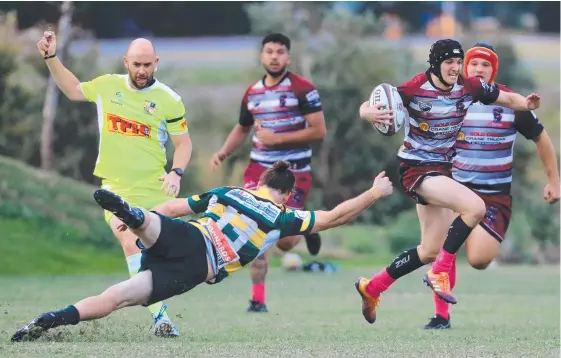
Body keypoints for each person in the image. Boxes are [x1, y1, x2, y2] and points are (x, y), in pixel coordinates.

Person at [11, 161, 394, 342]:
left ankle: (132, 214)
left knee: (155, 228)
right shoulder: (282, 216)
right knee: (119, 299)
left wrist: (142, 220)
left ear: (259, 181)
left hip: (189, 235)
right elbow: (333, 217)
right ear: (289, 194)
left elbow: (177, 207)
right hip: (197, 266)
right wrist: (374, 194)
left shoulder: (230, 192)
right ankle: (50, 319)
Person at [356, 39, 541, 324]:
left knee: (429, 249)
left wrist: (526, 103)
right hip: (415, 170)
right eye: (449, 63)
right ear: (435, 64)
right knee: (475, 207)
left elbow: (509, 99)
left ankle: (373, 287)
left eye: (458, 62)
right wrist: (367, 112)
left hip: (442, 170)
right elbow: (371, 104)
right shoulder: (414, 88)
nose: (456, 68)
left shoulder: (469, 87)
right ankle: (441, 271)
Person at [36, 31, 193, 336]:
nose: (142, 70)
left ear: (156, 63)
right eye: (136, 64)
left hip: (154, 189)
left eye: (148, 64)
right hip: (116, 190)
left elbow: (184, 145)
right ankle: (161, 318)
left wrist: (176, 172)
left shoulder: (169, 100)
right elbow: (72, 89)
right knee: (130, 240)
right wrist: (50, 57)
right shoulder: (108, 86)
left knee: (157, 252)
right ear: (126, 62)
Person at [423, 43, 560, 329]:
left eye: (485, 65)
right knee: (443, 248)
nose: (479, 69)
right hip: (457, 188)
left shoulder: (511, 102)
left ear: (494, 71)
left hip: (494, 196)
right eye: (473, 64)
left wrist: (553, 180)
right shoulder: (454, 98)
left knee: (479, 259)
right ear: (464, 68)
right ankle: (440, 317)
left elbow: (541, 137)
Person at [209, 33, 327, 312]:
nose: (274, 57)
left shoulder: (303, 89)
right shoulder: (252, 93)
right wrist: (225, 151)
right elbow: (242, 127)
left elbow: (318, 130)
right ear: (262, 56)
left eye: (280, 52)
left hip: (294, 171)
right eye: (269, 51)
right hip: (259, 169)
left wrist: (277, 139)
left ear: (288, 57)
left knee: (285, 243)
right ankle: (257, 299)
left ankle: (305, 229)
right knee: (254, 226)